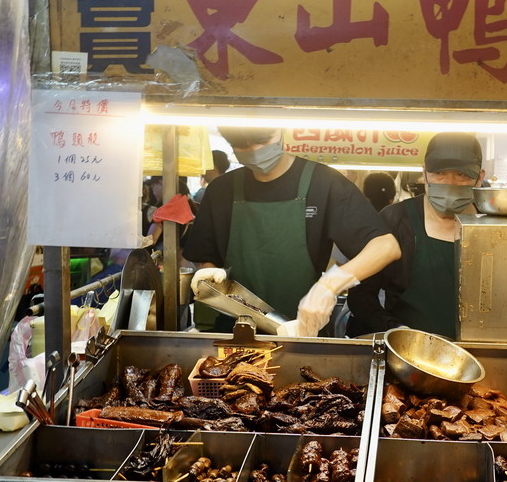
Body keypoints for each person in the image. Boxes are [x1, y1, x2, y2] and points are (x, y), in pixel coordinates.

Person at [183, 127, 400, 336]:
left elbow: (385, 246)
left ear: (281, 131)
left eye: (262, 142)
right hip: (233, 332)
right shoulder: (221, 189)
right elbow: (204, 256)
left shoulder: (325, 184)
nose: (254, 151)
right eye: (241, 145)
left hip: (302, 331)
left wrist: (329, 286)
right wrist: (208, 275)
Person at [346, 132, 484, 340]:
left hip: (477, 352)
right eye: (439, 173)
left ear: (479, 178)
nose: (449, 182)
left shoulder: (492, 226)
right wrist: (396, 330)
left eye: (462, 175)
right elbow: (361, 293)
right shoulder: (397, 219)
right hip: (409, 356)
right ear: (424, 173)